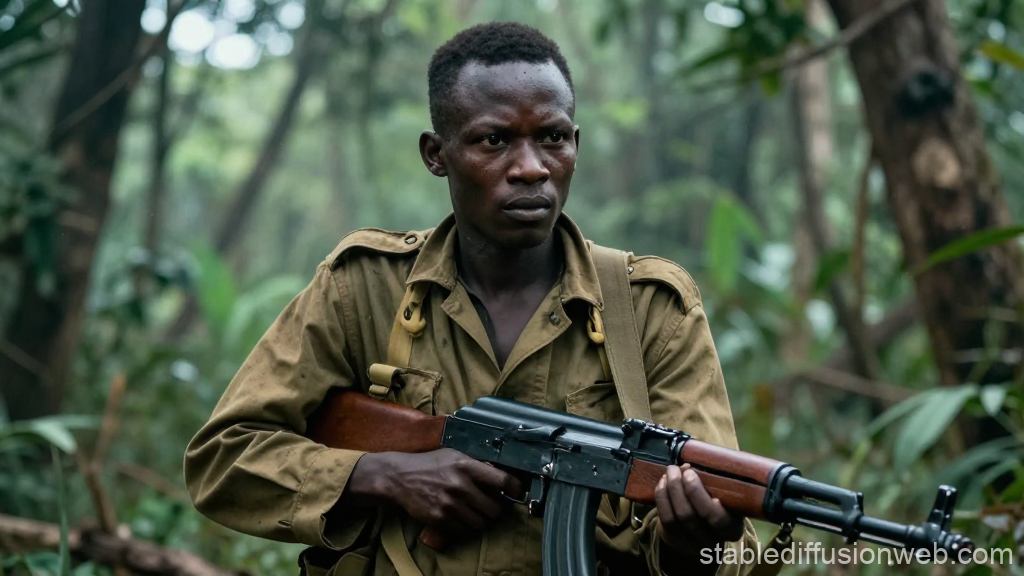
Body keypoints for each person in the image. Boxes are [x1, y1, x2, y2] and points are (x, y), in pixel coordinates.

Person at [184, 21, 759, 576]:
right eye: (495, 140)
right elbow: (223, 460)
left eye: (552, 138)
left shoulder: (651, 310)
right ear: (436, 154)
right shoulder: (362, 288)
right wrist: (383, 475)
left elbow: (731, 548)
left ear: (575, 146)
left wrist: (695, 542)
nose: (532, 168)